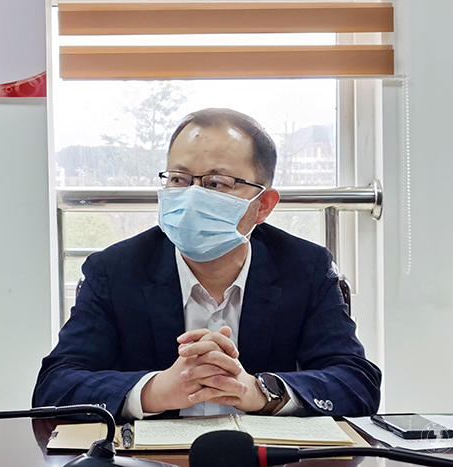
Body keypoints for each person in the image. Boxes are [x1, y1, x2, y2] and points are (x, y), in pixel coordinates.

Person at [33, 108, 381, 422]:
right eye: (179, 179)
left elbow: (356, 382)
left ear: (263, 206)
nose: (192, 197)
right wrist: (154, 390)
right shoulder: (115, 270)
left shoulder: (305, 268)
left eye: (216, 183)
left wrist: (260, 391)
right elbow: (55, 386)